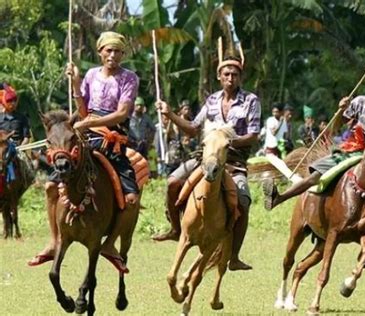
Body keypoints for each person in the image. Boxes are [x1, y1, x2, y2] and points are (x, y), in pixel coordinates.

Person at [263, 52, 365, 270]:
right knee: (317, 176)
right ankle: (278, 198)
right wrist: (340, 110)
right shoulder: (360, 102)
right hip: (352, 151)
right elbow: (335, 127)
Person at [28, 31, 140, 272]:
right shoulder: (91, 75)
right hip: (88, 140)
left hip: (113, 143)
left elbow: (122, 113)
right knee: (50, 187)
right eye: (108, 50)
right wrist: (76, 83)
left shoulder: (129, 78)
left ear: (122, 54)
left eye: (117, 51)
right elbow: (82, 108)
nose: (112, 55)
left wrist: (89, 122)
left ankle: (109, 244)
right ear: (100, 53)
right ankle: (54, 240)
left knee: (132, 200)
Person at [153, 55, 261, 271]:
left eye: (235, 74)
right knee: (173, 181)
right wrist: (170, 114)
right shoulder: (211, 100)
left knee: (243, 199)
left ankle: (234, 256)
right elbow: (193, 128)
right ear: (219, 77)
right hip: (205, 158)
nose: (230, 78)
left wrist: (225, 139)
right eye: (226, 74)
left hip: (233, 161)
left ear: (240, 77)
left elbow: (254, 134)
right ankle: (175, 229)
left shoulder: (251, 100)